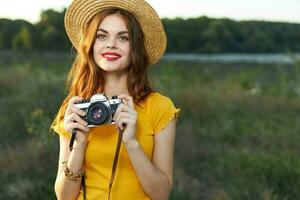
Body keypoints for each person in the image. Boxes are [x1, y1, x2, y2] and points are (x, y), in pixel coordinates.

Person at [51, 0, 180, 199]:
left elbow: (161, 194)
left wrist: (131, 143)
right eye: (101, 36)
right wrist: (79, 145)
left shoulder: (159, 107)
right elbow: (64, 196)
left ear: (135, 47)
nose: (111, 44)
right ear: (91, 44)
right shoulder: (76, 108)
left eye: (123, 38)